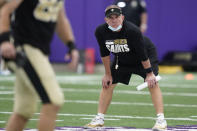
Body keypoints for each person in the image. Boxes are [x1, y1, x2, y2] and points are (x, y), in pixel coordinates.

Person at [85, 5, 167, 130]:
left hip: (143, 56)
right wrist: (107, 74)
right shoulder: (100, 31)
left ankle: (161, 120)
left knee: (152, 83)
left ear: (122, 17)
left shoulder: (132, 30)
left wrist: (149, 74)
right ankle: (99, 119)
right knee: (108, 83)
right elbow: (105, 53)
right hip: (122, 58)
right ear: (106, 20)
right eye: (110, 17)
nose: (114, 20)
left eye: (116, 17)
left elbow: (142, 53)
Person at [0, 0, 79, 130]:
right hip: (24, 48)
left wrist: (71, 45)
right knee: (53, 100)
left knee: (24, 110)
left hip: (39, 51)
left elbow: (61, 19)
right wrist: (4, 41)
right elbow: (5, 11)